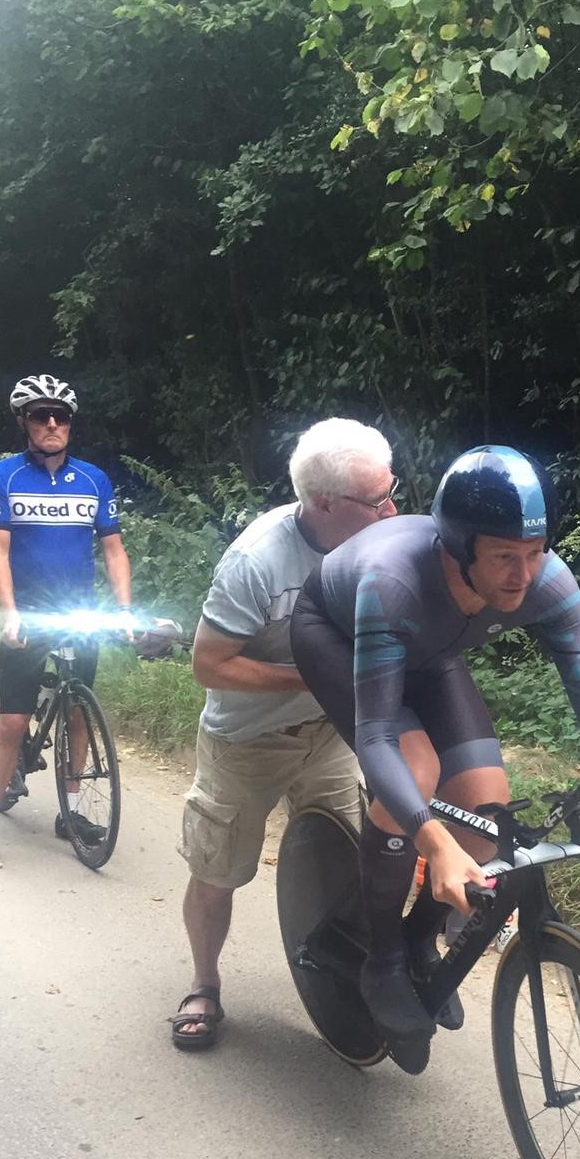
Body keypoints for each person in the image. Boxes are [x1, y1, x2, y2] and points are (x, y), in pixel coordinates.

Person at [289, 444, 580, 1072]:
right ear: (458, 548)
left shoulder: (548, 582)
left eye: (536, 551)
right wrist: (431, 841)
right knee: (415, 771)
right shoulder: (393, 580)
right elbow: (376, 738)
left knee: (484, 813)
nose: (522, 575)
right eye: (504, 556)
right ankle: (382, 957)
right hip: (336, 635)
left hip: (429, 650)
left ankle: (419, 937)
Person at [171, 417, 398, 1050]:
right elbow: (209, 665)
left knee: (350, 862)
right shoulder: (256, 563)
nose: (392, 510)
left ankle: (345, 977)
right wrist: (314, 676)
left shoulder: (379, 539)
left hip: (329, 735)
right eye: (376, 499)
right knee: (218, 870)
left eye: (391, 491)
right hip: (245, 741)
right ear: (324, 503)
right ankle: (204, 984)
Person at [0, 374, 133, 870]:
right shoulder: (3, 476)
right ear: (24, 422)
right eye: (40, 415)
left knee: (78, 712)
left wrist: (123, 612)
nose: (52, 423)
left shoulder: (93, 480)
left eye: (61, 416)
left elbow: (114, 551)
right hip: (29, 612)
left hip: (79, 611)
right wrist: (10, 612)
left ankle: (71, 812)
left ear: (70, 423)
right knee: (14, 720)